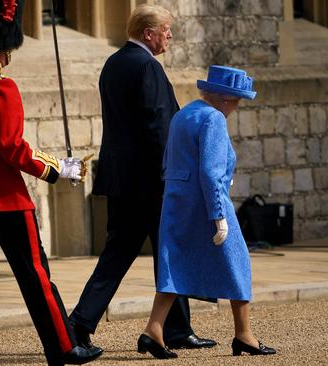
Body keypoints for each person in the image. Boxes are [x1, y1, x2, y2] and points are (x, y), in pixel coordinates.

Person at [0, 1, 102, 365]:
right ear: (3, 43)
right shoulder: (2, 86)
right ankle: (63, 348)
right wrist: (59, 168)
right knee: (36, 278)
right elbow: (13, 149)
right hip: (7, 200)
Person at [68, 4, 216, 352]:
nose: (169, 36)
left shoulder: (114, 63)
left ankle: (175, 328)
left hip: (123, 179)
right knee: (165, 251)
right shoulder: (147, 66)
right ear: (148, 33)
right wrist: (178, 173)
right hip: (152, 180)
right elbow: (158, 128)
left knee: (136, 252)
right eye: (166, 30)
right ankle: (79, 323)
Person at [137, 65, 277, 359]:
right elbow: (210, 173)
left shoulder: (184, 113)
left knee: (176, 264)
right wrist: (219, 215)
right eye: (237, 101)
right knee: (238, 261)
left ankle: (154, 329)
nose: (236, 108)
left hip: (177, 200)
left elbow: (171, 161)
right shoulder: (213, 118)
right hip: (206, 202)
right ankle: (244, 335)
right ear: (225, 99)